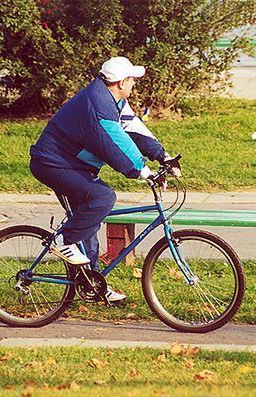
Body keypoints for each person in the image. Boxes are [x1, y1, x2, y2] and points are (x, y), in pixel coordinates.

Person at [29, 56, 178, 303]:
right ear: (120, 82)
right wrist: (142, 171)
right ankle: (62, 239)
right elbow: (114, 144)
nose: (134, 84)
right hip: (53, 164)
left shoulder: (114, 100)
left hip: (73, 165)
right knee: (103, 197)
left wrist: (164, 156)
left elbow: (133, 128)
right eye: (131, 79)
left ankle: (91, 285)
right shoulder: (98, 103)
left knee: (89, 219)